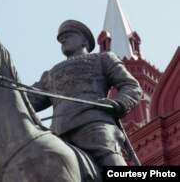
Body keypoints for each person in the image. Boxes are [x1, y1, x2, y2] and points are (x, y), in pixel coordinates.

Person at [28, 19, 143, 167]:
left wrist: (119, 103)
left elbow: (132, 86)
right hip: (58, 135)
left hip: (94, 126)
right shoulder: (50, 75)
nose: (63, 39)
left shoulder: (103, 59)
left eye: (68, 35)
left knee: (110, 160)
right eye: (61, 38)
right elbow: (27, 100)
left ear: (84, 40)